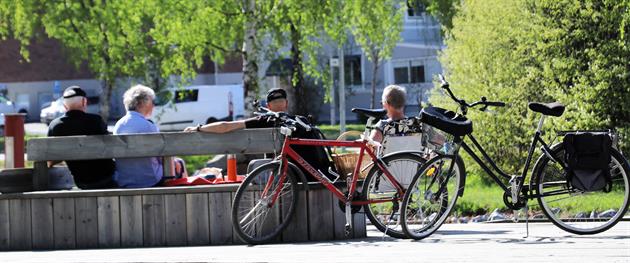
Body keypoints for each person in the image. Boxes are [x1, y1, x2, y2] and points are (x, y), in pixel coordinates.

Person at [47, 86, 117, 189]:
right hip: (106, 179)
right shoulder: (96, 121)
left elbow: (50, 161)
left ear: (65, 106)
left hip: (81, 181)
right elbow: (111, 149)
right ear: (84, 102)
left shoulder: (56, 126)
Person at [113, 84, 164, 188]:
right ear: (141, 103)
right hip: (150, 180)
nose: (153, 106)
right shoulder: (149, 126)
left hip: (124, 180)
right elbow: (161, 155)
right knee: (178, 164)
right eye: (152, 102)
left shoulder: (118, 125)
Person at [183, 88, 289, 133]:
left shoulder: (264, 120)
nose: (278, 104)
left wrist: (198, 128)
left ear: (268, 106)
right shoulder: (299, 121)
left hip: (278, 170)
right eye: (276, 102)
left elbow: (225, 126)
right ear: (287, 104)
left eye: (279, 101)